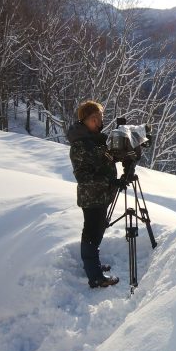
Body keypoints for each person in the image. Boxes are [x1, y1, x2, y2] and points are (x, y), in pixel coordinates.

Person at [67, 100, 121, 289]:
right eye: (93, 119)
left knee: (97, 230)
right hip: (91, 197)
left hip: (102, 195)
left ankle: (91, 265)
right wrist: (110, 181)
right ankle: (95, 277)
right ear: (83, 120)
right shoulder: (80, 145)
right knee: (91, 233)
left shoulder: (96, 140)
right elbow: (83, 177)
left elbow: (104, 160)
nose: (98, 122)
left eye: (100, 118)